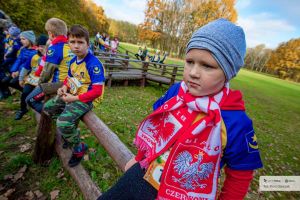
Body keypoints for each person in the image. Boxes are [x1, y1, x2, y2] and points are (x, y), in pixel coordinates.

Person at [98, 18, 263, 200]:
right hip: (145, 176)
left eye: (207, 65)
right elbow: (157, 130)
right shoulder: (176, 92)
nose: (193, 72)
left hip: (186, 194)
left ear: (228, 72)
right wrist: (139, 159)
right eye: (190, 61)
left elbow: (241, 173)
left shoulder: (236, 121)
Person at [43, 25, 105, 167]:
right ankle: (69, 133)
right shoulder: (73, 61)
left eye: (80, 42)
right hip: (74, 93)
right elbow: (69, 78)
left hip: (88, 99)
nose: (76, 46)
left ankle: (78, 147)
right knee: (48, 108)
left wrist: (73, 99)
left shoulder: (93, 63)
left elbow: (97, 92)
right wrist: (64, 88)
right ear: (68, 43)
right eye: (72, 42)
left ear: (88, 44)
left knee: (63, 122)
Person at [25, 17, 74, 113]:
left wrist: (39, 85)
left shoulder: (55, 48)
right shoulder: (70, 46)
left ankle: (53, 116)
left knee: (30, 100)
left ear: (50, 34)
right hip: (72, 82)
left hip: (60, 84)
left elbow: (47, 72)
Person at [15, 35, 48, 120]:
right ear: (37, 46)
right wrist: (21, 78)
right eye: (41, 46)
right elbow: (25, 68)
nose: (43, 48)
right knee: (25, 93)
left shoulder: (51, 57)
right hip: (32, 79)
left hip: (44, 82)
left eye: (45, 46)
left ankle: (44, 114)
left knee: (38, 98)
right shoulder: (33, 56)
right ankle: (23, 110)